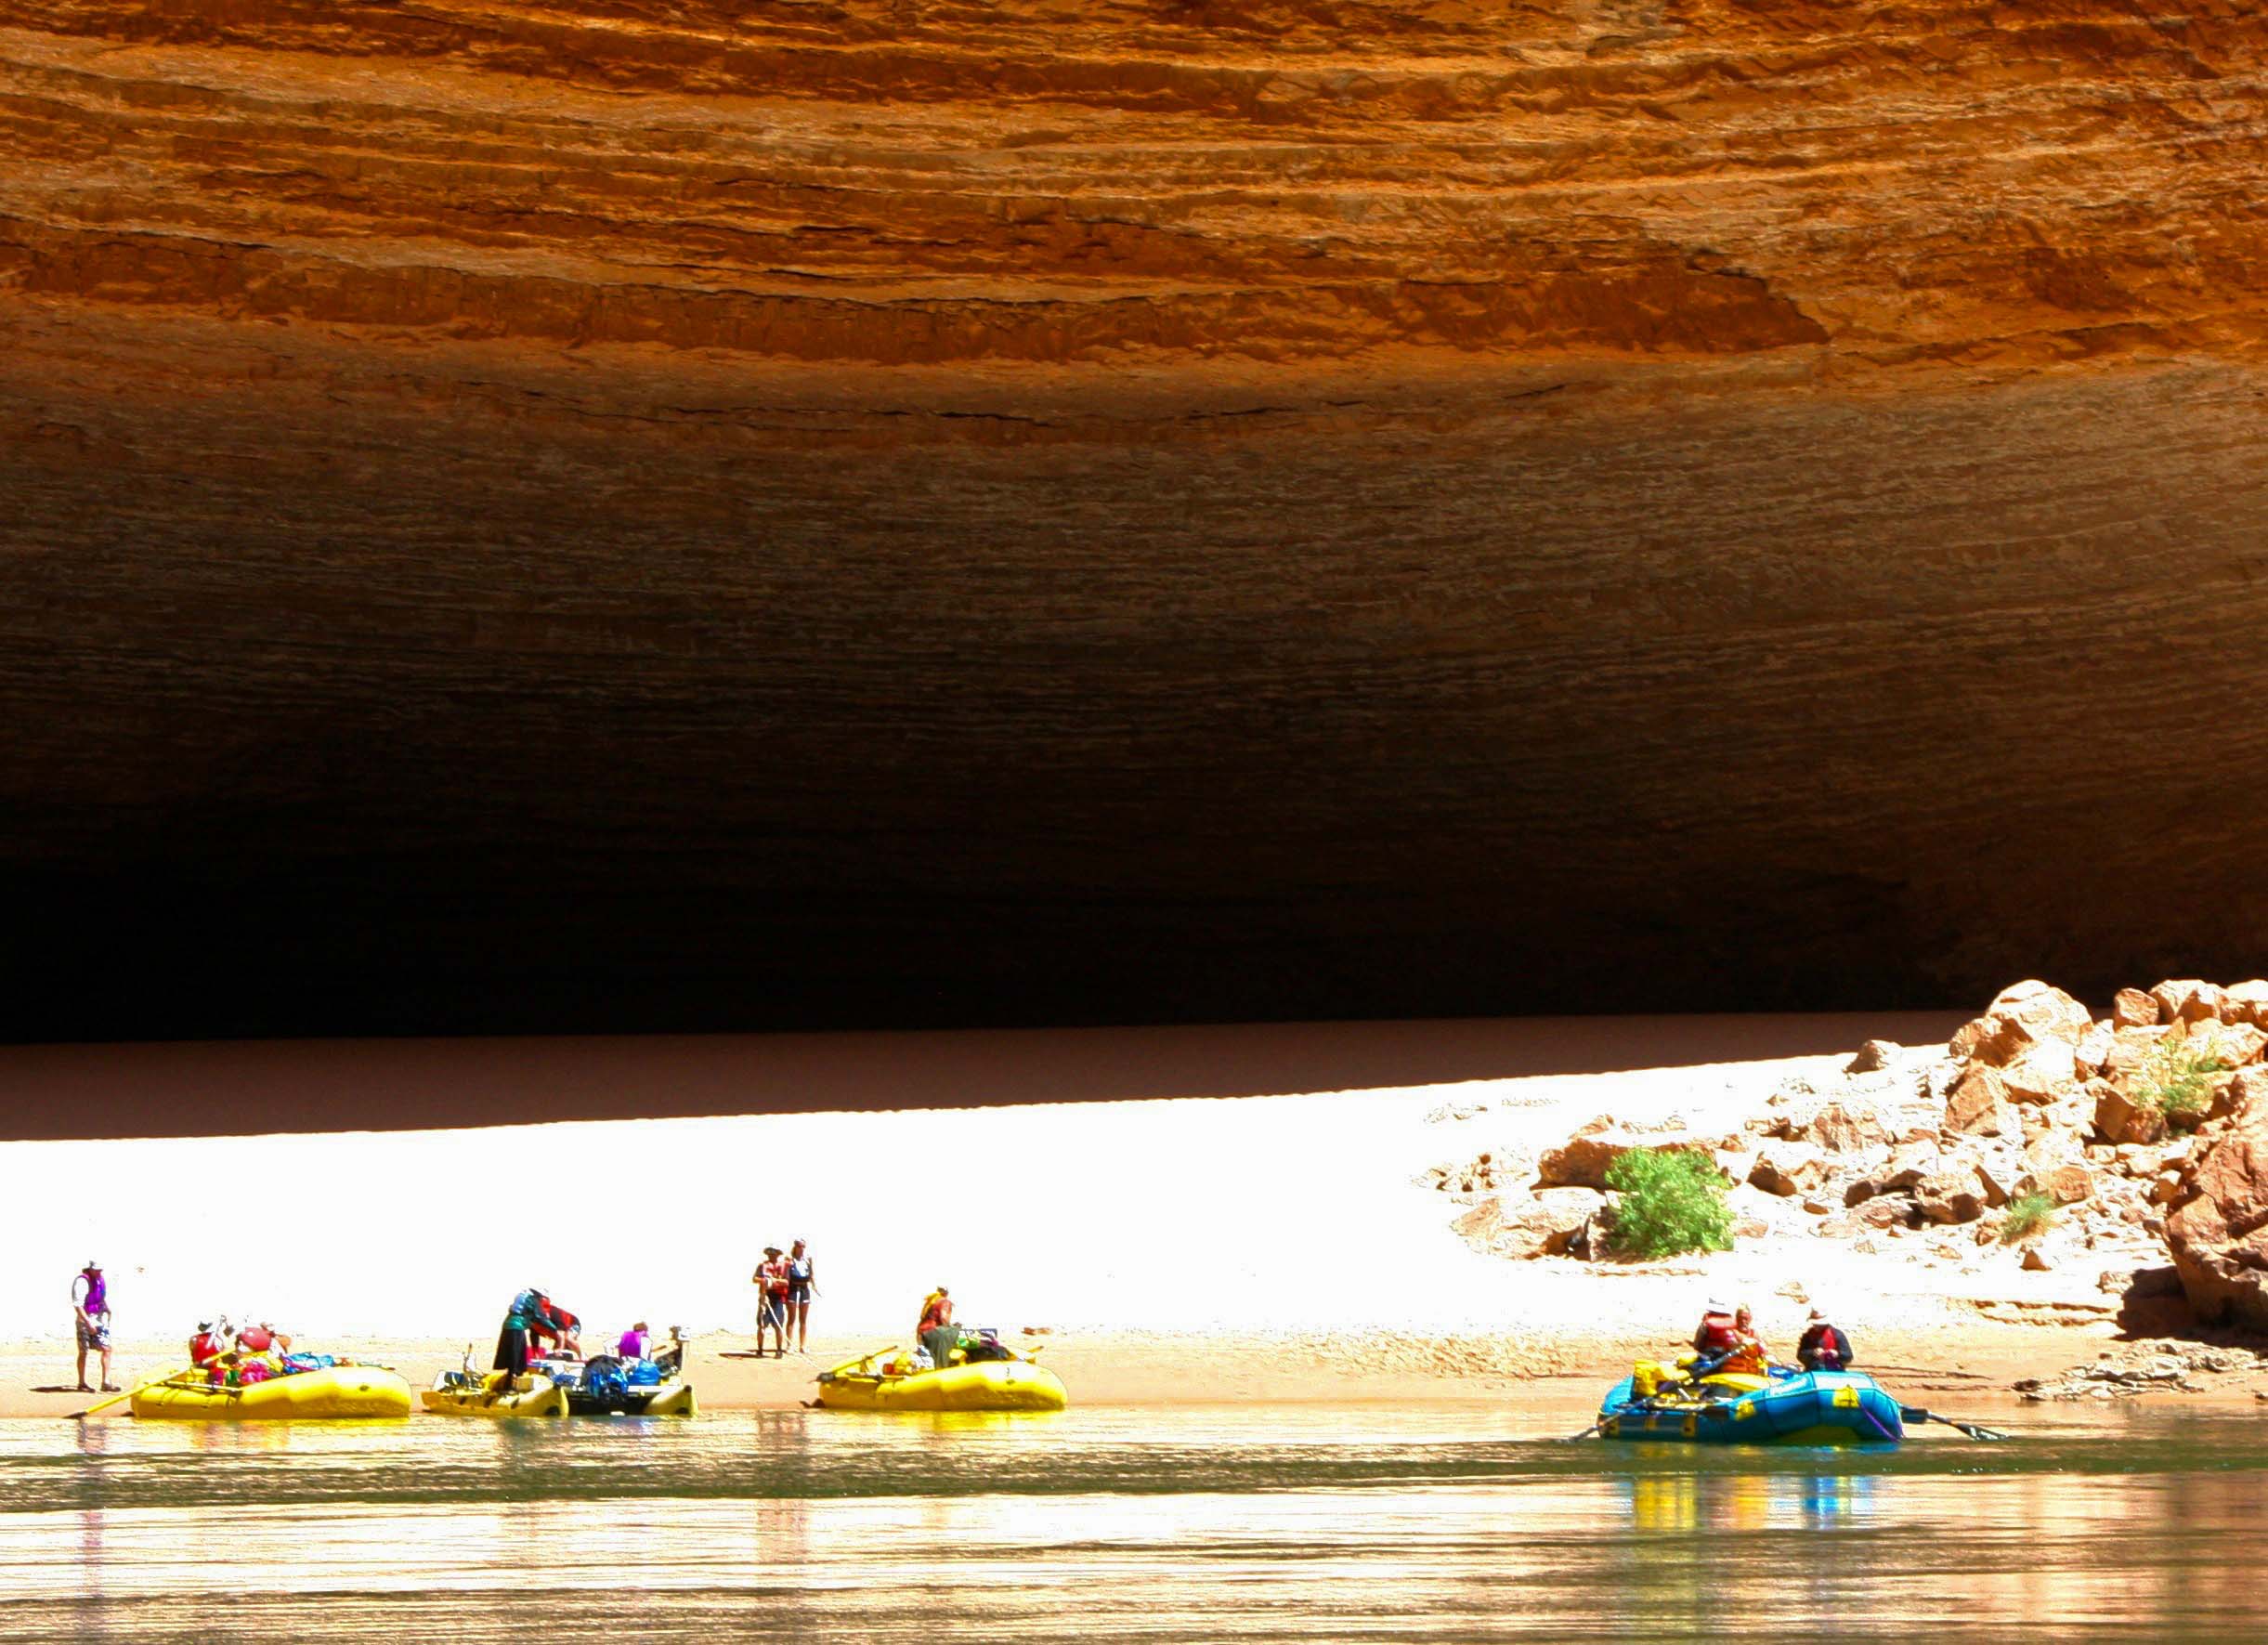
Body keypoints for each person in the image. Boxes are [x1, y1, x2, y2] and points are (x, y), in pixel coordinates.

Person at [494, 1286, 576, 1391]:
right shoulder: (532, 1299)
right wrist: (555, 1329)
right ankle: (510, 1386)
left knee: (515, 1357)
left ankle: (509, 1383)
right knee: (516, 1358)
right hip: (516, 1328)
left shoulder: (523, 1296)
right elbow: (540, 1317)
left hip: (509, 1326)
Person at [72, 1260, 116, 1393]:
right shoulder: (81, 1282)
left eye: (100, 1270)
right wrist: (87, 1322)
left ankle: (106, 1382)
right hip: (84, 1320)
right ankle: (82, 1382)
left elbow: (99, 1297)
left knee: (107, 1349)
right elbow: (78, 1305)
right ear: (89, 1269)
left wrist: (106, 1308)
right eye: (96, 1270)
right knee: (83, 1352)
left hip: (98, 1319)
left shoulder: (99, 1280)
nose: (98, 1273)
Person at [754, 1247, 791, 1359]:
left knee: (778, 1325)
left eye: (774, 1253)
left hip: (778, 1297)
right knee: (762, 1324)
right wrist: (764, 1280)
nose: (771, 1255)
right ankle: (760, 1349)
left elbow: (786, 1282)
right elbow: (755, 1278)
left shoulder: (784, 1266)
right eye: (770, 1253)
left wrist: (774, 1281)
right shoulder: (762, 1266)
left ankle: (779, 1350)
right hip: (765, 1297)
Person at [786, 1239, 817, 1355]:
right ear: (796, 1246)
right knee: (791, 1318)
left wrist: (814, 1285)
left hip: (804, 1288)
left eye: (803, 1246)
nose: (802, 1248)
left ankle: (803, 1345)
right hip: (793, 1288)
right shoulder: (790, 1259)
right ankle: (789, 1344)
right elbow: (786, 1274)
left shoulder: (808, 1259)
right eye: (800, 1246)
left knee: (803, 1319)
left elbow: (811, 1273)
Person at [1797, 1308, 1855, 1372]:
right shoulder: (1807, 1336)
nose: (1816, 1326)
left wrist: (1837, 1354)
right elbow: (1800, 1355)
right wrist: (1812, 1352)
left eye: (1819, 1324)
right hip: (1813, 1371)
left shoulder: (1837, 1335)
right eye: (1815, 1324)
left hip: (1835, 1371)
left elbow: (1848, 1356)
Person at [917, 1286, 956, 1372]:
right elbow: (944, 1318)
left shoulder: (930, 1302)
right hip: (933, 1333)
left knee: (927, 1359)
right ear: (946, 1293)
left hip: (922, 1332)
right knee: (939, 1359)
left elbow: (922, 1317)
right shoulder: (944, 1301)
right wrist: (951, 1327)